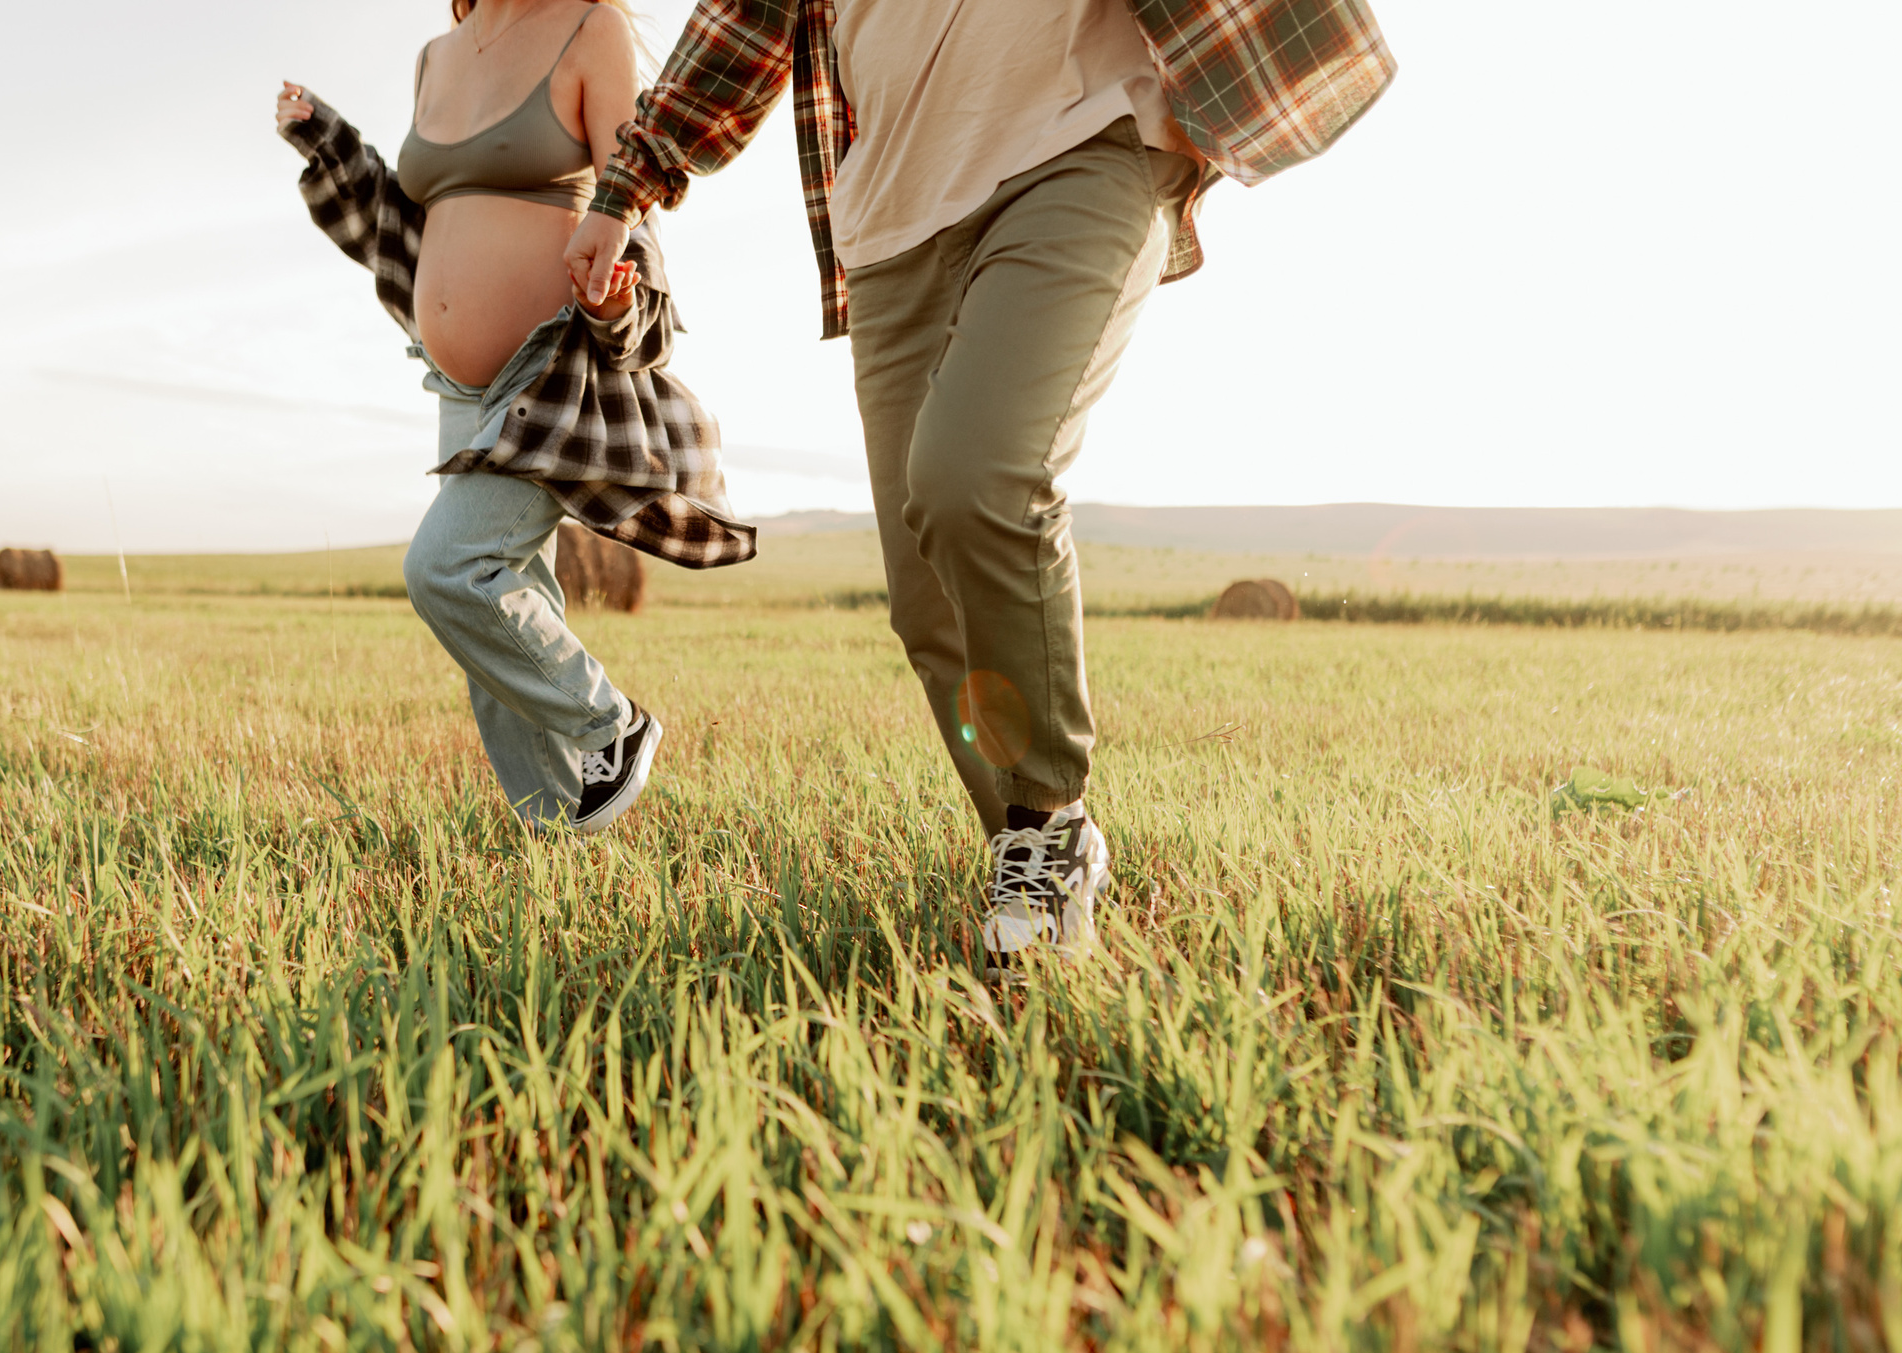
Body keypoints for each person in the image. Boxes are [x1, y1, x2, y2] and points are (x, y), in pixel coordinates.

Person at [562, 0, 1394, 973]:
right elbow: (738, 28)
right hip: (890, 223)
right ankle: (1024, 846)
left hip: (1081, 138)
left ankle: (1048, 822)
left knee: (975, 474)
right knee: (927, 605)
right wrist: (621, 191)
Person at [276, 0, 754, 835]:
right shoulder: (436, 55)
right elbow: (412, 215)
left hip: (551, 369)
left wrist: (621, 304)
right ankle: (558, 827)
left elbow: (630, 195)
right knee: (502, 606)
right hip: (454, 385)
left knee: (447, 570)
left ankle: (613, 723)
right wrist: (329, 139)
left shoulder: (589, 27)